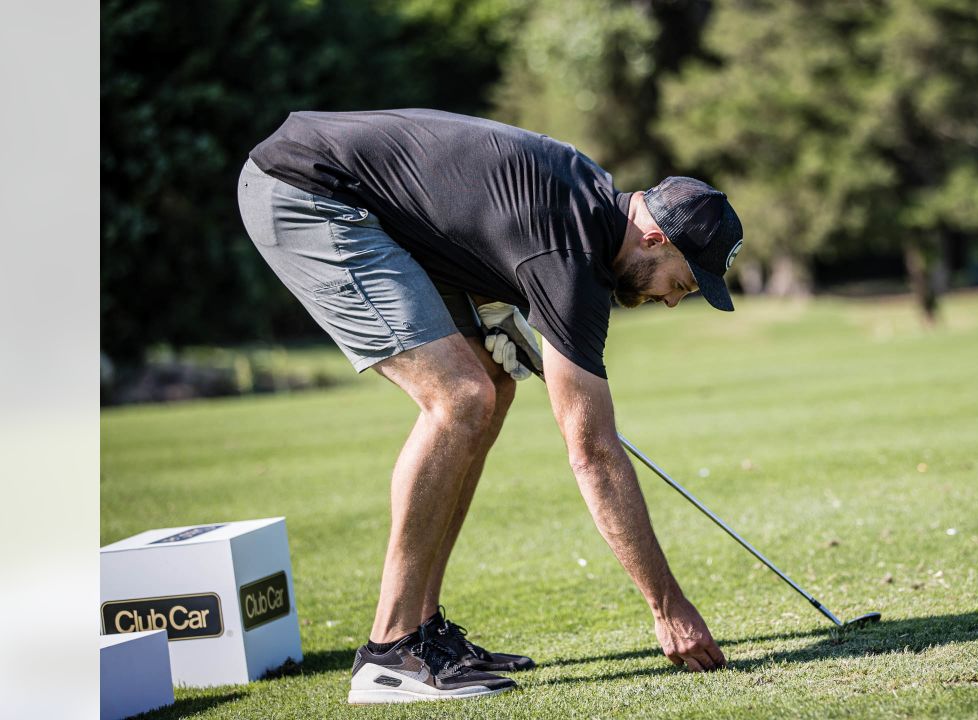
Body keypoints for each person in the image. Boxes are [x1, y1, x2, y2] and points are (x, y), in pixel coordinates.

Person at [237, 109, 744, 703]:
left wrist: (495, 304)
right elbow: (594, 454)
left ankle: (423, 632)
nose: (672, 303)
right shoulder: (571, 256)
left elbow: (469, 212)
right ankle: (389, 652)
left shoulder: (591, 209)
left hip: (366, 201)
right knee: (459, 397)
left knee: (492, 385)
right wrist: (668, 606)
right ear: (655, 239)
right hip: (307, 189)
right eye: (680, 284)